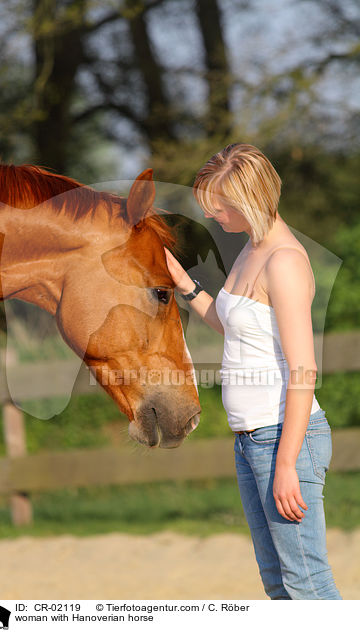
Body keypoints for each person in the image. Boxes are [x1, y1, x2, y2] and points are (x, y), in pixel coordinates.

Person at [164, 143, 342, 600]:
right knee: (277, 583)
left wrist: (286, 462)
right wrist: (184, 282)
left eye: (220, 205)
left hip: (283, 439)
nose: (214, 213)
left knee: (307, 582)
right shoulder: (251, 251)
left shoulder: (283, 261)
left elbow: (304, 371)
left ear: (250, 198)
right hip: (251, 440)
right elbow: (235, 327)